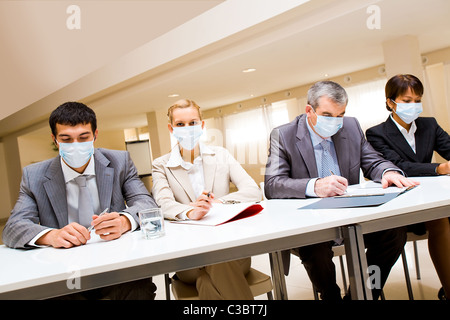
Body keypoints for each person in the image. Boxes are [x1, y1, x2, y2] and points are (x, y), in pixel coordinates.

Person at [264, 80, 419, 300]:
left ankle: (364, 292)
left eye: (340, 115)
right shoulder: (284, 135)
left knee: (394, 233)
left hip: (350, 215)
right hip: (311, 221)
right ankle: (331, 296)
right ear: (309, 110)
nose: (335, 122)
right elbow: (272, 184)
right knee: (314, 246)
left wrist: (388, 172)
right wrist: (314, 185)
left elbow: (373, 160)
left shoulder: (351, 126)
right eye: (327, 115)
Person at [2, 101, 157, 300]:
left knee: (137, 291)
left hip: (118, 267)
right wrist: (52, 236)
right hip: (65, 273)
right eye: (66, 139)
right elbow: (13, 228)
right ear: (55, 139)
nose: (76, 145)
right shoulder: (34, 176)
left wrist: (124, 221)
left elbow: (147, 204)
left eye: (83, 137)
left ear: (95, 135)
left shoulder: (120, 162)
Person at [151, 99, 262, 300]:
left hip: (232, 252)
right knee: (215, 263)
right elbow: (163, 203)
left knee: (207, 278)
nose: (187, 129)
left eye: (193, 123)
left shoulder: (222, 155)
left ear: (202, 126)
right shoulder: (161, 165)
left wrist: (218, 203)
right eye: (180, 124)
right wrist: (190, 211)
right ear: (171, 128)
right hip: (188, 260)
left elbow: (253, 191)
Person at [366, 74, 450, 300]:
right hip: (401, 205)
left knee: (442, 217)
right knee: (440, 219)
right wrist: (438, 169)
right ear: (390, 102)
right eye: (407, 100)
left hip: (430, 200)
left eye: (418, 100)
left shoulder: (429, 125)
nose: (414, 106)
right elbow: (400, 167)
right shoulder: (376, 134)